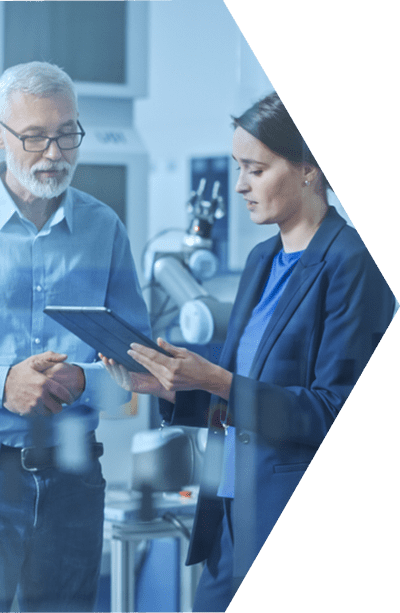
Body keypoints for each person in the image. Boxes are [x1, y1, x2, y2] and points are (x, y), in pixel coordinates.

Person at [101, 92, 396, 612]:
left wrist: (215, 379)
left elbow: (334, 411)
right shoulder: (263, 260)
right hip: (230, 521)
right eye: (239, 168)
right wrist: (174, 388)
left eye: (255, 169)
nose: (240, 185)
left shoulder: (354, 264)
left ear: (308, 169)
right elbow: (242, 399)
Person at [0, 61, 151, 613]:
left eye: (67, 133)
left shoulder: (103, 228)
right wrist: (4, 383)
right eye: (35, 136)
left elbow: (140, 367)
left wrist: (82, 381)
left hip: (74, 476)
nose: (55, 153)